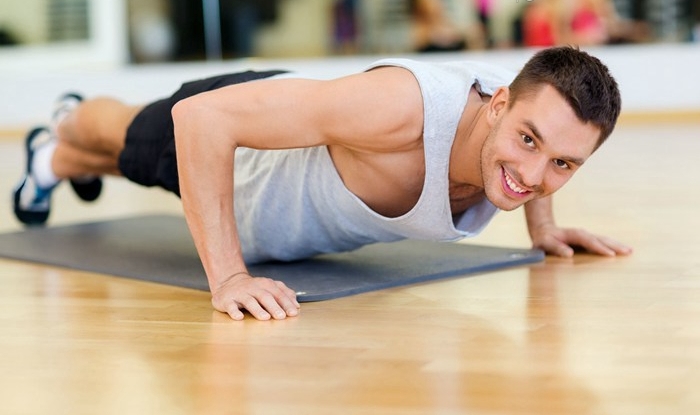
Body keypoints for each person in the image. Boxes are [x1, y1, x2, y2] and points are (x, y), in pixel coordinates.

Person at [12, 46, 633, 321]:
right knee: (126, 137)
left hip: (281, 184)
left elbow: (543, 150)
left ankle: (54, 161)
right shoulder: (403, 109)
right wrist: (228, 279)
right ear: (498, 106)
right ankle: (69, 119)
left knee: (120, 161)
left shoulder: (525, 116)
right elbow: (200, 121)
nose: (533, 175)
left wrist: (544, 228)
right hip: (243, 161)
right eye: (528, 142)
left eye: (563, 165)